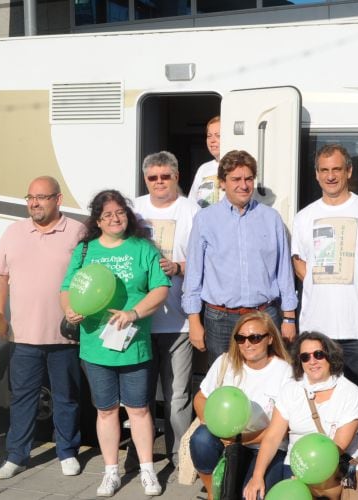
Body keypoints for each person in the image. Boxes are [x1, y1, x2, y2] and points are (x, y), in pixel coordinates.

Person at [61, 189, 171, 497]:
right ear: (97, 220)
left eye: (120, 212)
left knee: (139, 410)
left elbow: (161, 288)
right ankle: (110, 472)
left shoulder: (142, 248)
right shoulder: (85, 250)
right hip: (95, 345)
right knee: (106, 411)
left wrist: (134, 312)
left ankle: (148, 470)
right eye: (107, 214)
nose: (114, 218)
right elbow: (67, 287)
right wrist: (68, 308)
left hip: (133, 344)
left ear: (129, 215)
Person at [291, 144, 358, 453]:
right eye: (324, 170)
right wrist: (324, 285)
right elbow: (299, 262)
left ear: (349, 172)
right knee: (323, 406)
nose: (330, 176)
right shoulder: (305, 216)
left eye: (337, 169)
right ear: (317, 175)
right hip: (318, 332)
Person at [0, 176, 86, 480]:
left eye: (42, 197)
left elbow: (88, 277)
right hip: (23, 334)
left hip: (64, 333)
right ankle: (17, 455)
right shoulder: (14, 232)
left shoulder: (77, 231)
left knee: (66, 396)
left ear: (58, 200)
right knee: (22, 397)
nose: (34, 203)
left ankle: (67, 451)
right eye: (30, 197)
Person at [183, 149, 298, 364]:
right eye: (236, 179)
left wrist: (289, 317)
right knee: (224, 383)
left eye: (248, 179)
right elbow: (194, 275)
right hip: (220, 319)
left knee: (267, 383)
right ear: (222, 182)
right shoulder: (205, 220)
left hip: (264, 315)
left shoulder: (271, 219)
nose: (243, 185)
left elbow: (284, 271)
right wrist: (193, 321)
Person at [134, 151, 199, 466]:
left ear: (177, 177)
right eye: (153, 178)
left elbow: (205, 261)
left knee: (176, 397)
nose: (159, 183)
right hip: (140, 321)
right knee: (139, 395)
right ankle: (139, 451)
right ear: (146, 180)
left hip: (179, 321)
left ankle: (179, 454)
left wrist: (178, 266)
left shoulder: (192, 211)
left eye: (165, 176)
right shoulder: (133, 209)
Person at [244, 332, 358, 500]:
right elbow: (272, 437)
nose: (312, 361)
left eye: (318, 354)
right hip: (297, 465)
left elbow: (338, 446)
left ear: (330, 356)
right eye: (305, 357)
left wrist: (309, 479)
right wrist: (257, 477)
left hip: (336, 467)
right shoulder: (291, 389)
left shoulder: (349, 392)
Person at [190, 311, 294, 499]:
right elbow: (200, 398)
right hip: (226, 441)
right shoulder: (225, 361)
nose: (247, 344)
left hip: (265, 445)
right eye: (241, 338)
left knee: (253, 495)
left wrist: (241, 439)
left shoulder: (284, 372)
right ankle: (214, 494)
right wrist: (214, 426)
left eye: (255, 338)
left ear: (269, 338)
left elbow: (283, 429)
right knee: (201, 439)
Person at [188, 115, 222, 207]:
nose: (212, 141)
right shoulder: (204, 168)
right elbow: (192, 203)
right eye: (209, 136)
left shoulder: (239, 167)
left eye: (218, 136)